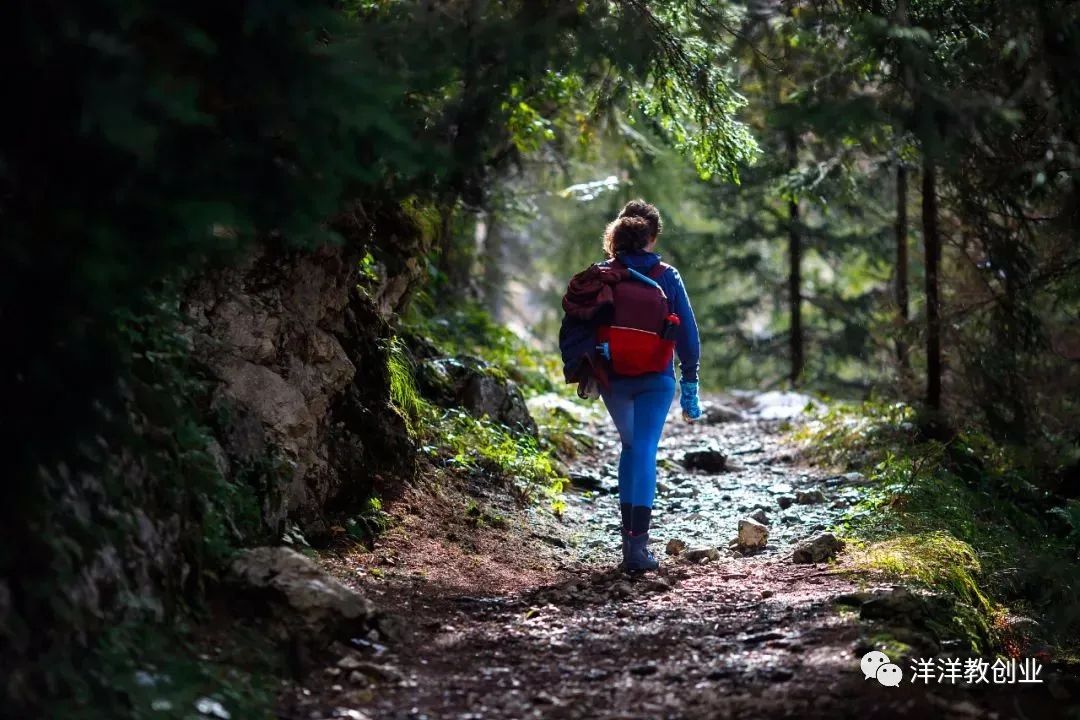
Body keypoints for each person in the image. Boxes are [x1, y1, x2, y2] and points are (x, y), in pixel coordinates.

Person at [562, 200, 701, 572]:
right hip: (656, 377)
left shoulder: (603, 274)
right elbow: (688, 332)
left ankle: (630, 545)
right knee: (644, 451)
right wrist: (691, 384)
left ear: (615, 238)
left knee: (630, 447)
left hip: (615, 378)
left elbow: (580, 322)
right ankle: (637, 551)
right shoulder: (666, 275)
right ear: (650, 238)